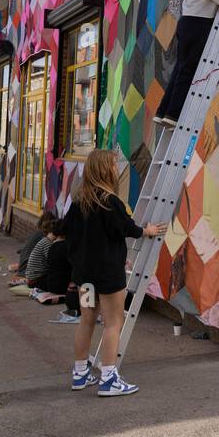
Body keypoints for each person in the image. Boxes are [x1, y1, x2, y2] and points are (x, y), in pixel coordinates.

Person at [62, 150, 166, 396]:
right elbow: (126, 228)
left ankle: (79, 374)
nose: (116, 168)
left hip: (84, 277)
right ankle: (108, 379)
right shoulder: (110, 202)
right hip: (108, 276)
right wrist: (147, 230)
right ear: (105, 170)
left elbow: (67, 231)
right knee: (113, 323)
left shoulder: (78, 203)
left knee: (86, 320)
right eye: (113, 165)